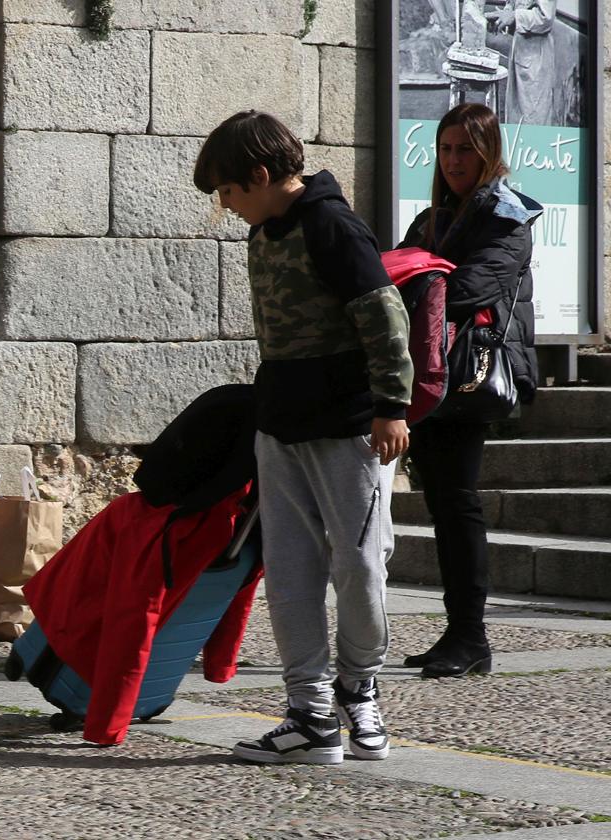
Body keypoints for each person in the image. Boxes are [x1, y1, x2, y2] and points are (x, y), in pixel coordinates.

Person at [193, 111, 414, 765]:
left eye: (230, 192)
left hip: (350, 434)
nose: (227, 208)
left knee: (362, 570)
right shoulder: (264, 232)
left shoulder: (333, 226)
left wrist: (391, 408)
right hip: (280, 431)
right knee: (289, 577)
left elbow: (383, 318)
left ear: (261, 177)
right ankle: (310, 716)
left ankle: (359, 689)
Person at [399, 102, 541, 678]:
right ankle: (457, 632)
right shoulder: (436, 217)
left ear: (489, 153)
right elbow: (401, 270)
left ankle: (471, 639)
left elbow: (470, 287)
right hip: (432, 374)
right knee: (442, 504)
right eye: (446, 149)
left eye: (466, 149)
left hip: (471, 373)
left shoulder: (508, 216)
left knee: (458, 504)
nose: (455, 160)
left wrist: (418, 276)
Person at [488, 0, 558, 127]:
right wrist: (504, 16)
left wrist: (514, 16)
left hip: (536, 57)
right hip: (521, 50)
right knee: (517, 116)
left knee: (533, 117)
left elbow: (546, 18)